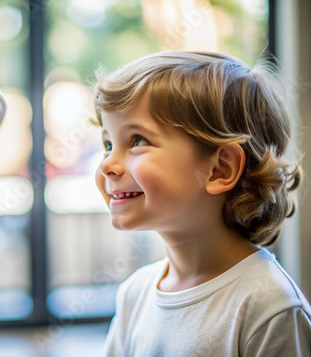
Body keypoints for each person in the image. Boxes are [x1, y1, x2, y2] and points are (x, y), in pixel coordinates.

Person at [93, 51, 311, 356]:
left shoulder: (269, 306)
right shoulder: (135, 293)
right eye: (108, 144)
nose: (107, 165)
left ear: (220, 169)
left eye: (137, 141)